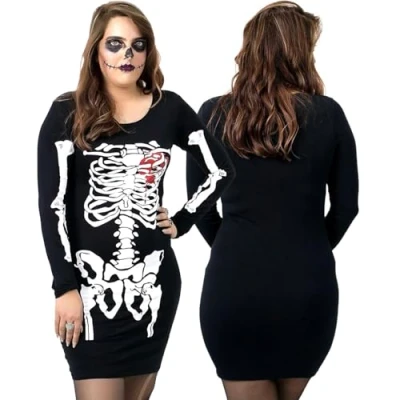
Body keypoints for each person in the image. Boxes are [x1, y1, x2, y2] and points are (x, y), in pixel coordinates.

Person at [36, 1, 234, 399]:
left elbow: (221, 171)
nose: (127, 54)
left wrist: (183, 220)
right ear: (96, 49)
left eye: (138, 45)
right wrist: (64, 287)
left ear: (148, 52)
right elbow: (52, 206)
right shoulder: (67, 112)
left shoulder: (170, 108)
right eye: (115, 44)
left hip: (152, 284)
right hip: (89, 289)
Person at [185, 2, 359, 399]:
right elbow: (346, 208)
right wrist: (308, 248)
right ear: (299, 51)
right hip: (307, 287)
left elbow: (200, 207)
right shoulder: (328, 115)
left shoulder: (212, 114)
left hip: (234, 286)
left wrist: (234, 247)